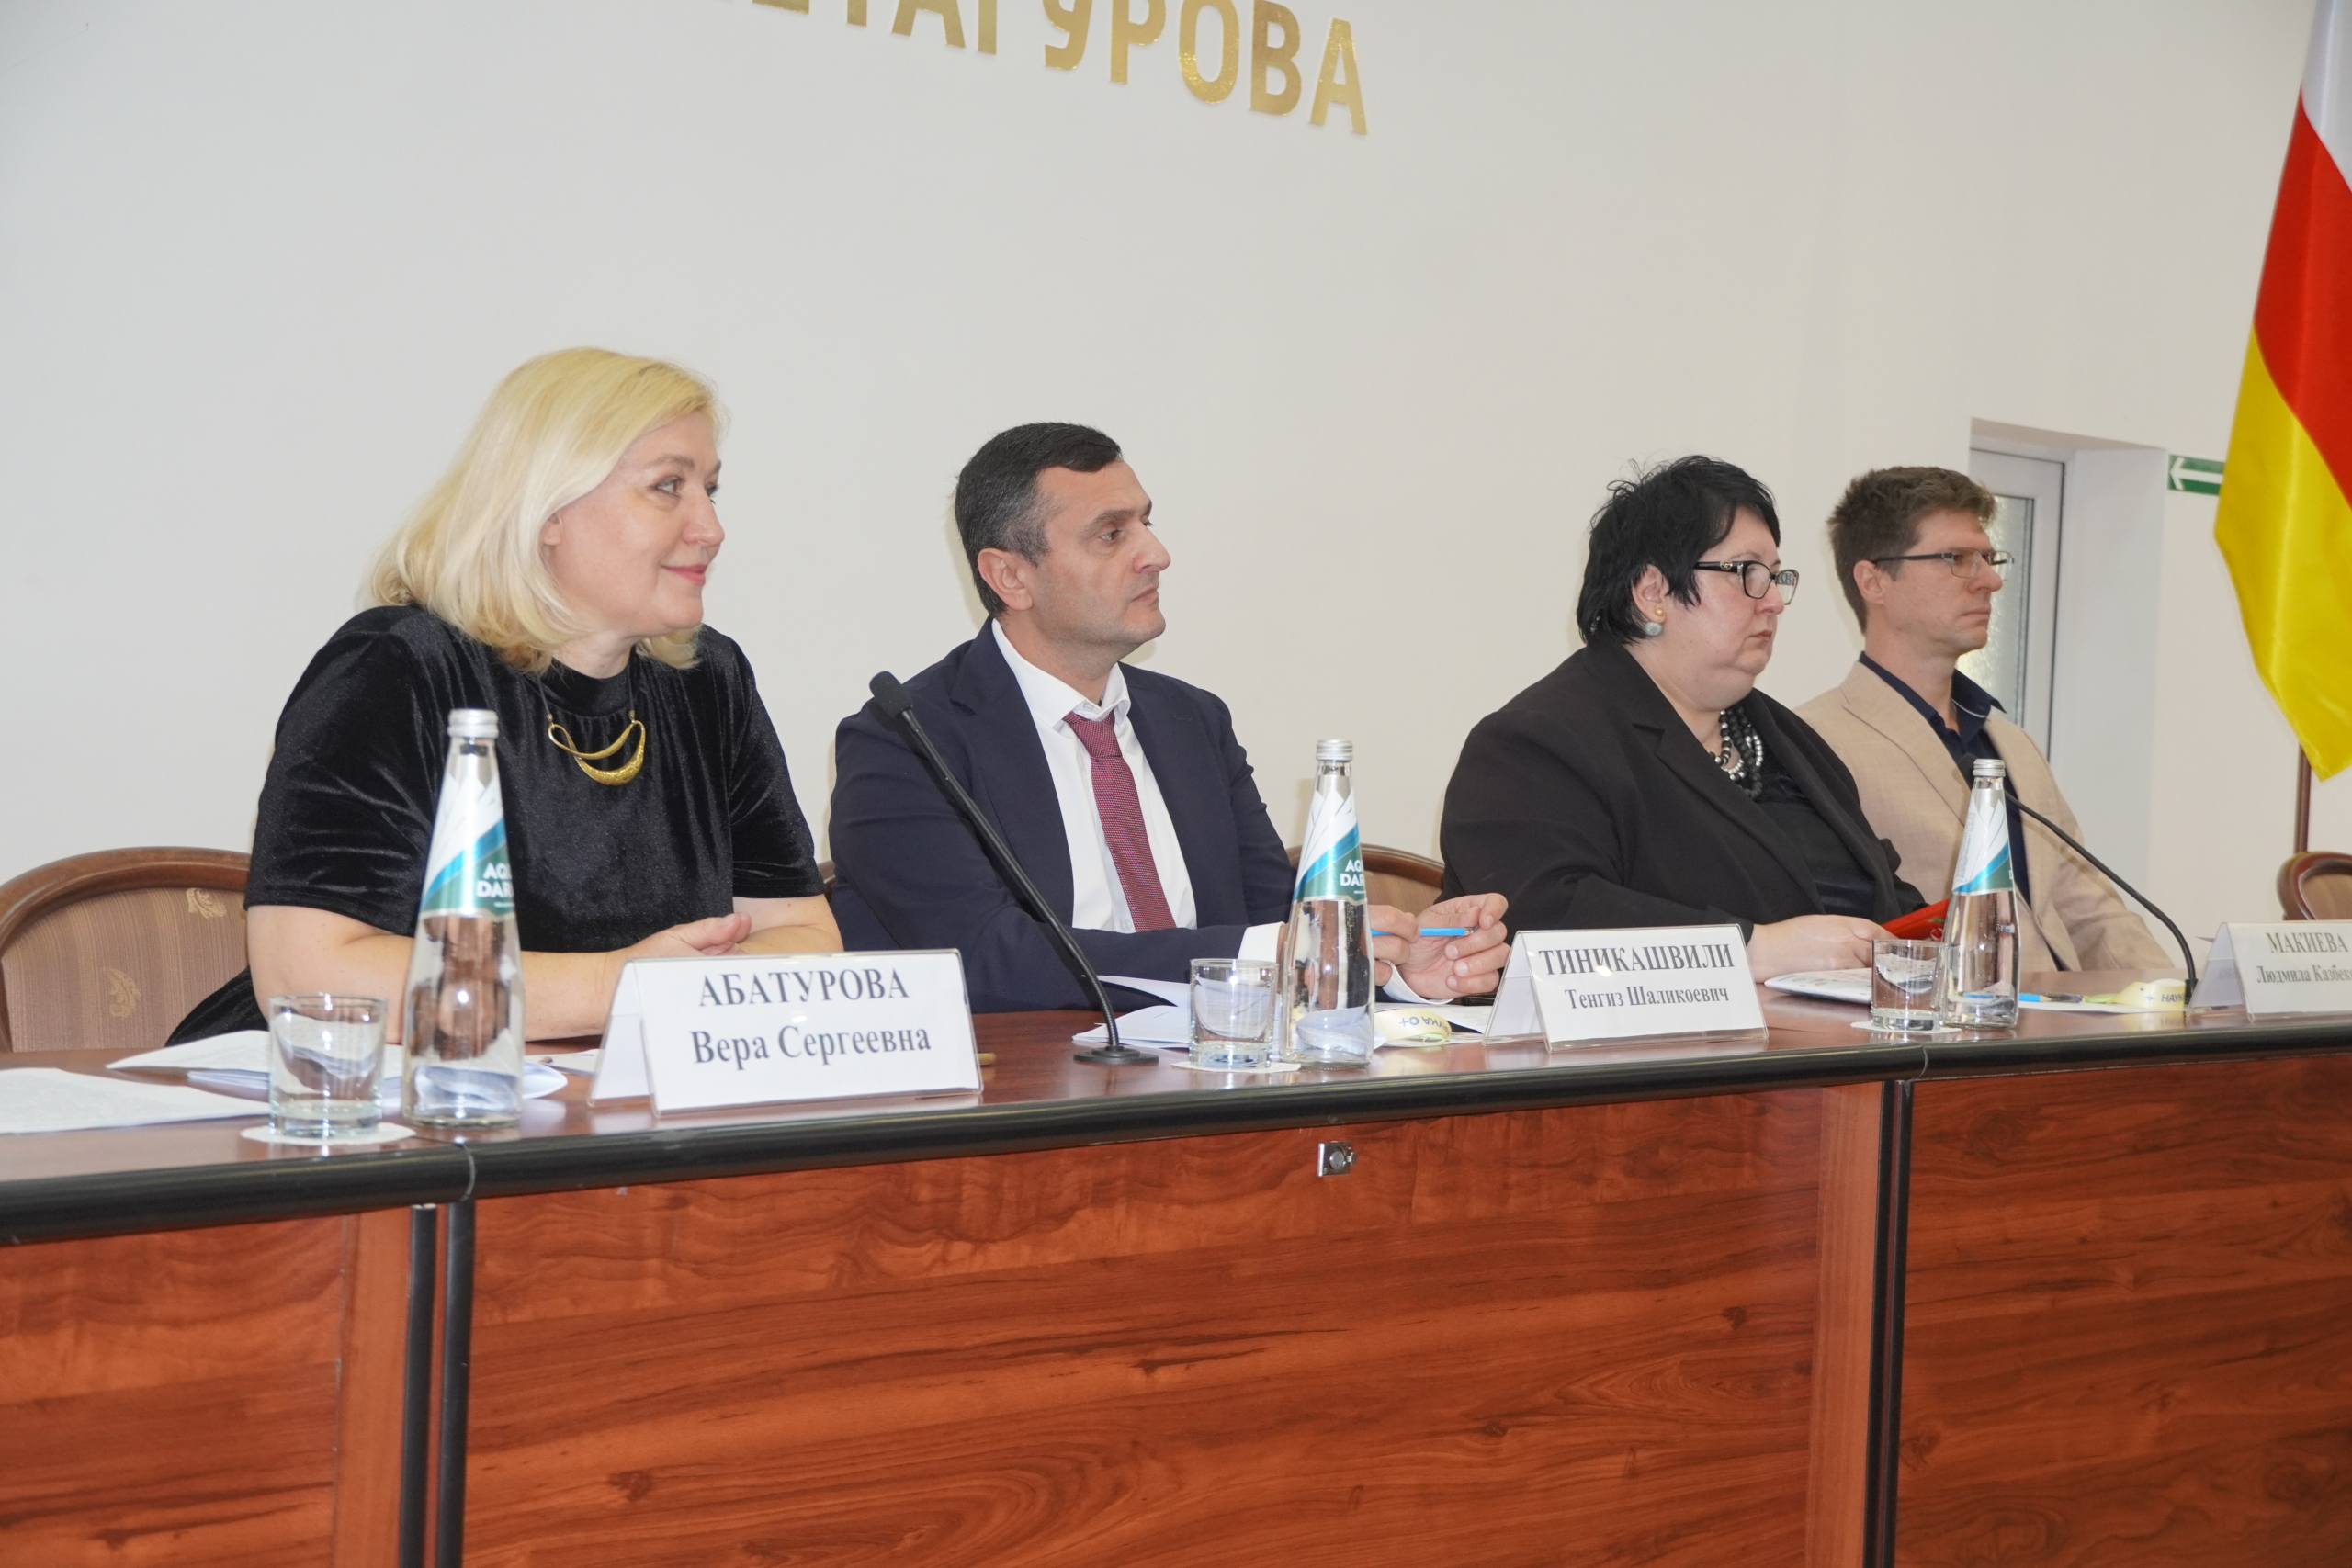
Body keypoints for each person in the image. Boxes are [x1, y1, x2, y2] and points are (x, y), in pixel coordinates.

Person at [172, 348, 839, 1043]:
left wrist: (675, 990)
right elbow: (309, 974)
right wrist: (621, 987)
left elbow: (807, 937)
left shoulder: (707, 681)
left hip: (593, 1093)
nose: (711, 529)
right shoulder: (398, 666)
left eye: (710, 490)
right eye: (668, 486)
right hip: (336, 1090)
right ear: (548, 509)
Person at [828, 422, 1510, 1013]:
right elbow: (983, 956)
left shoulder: (1192, 721)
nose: (1156, 554)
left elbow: (1276, 921)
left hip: (1220, 1080)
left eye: (1146, 523)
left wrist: (1398, 968)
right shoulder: (905, 740)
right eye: (1111, 534)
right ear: (1011, 577)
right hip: (1027, 1097)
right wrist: (1262, 954)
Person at [1440, 456, 1924, 977]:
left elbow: (1887, 900)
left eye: (1775, 576)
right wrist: (1754, 950)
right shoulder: (1535, 741)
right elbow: (1545, 918)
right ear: (1653, 593)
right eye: (1747, 573)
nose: (1774, 602)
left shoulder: (1792, 741)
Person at [1796, 466, 2167, 972]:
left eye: (1989, 559)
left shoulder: (2013, 744)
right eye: (1956, 559)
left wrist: (2173, 997)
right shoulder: (1813, 743)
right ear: (1874, 580)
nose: (1991, 580)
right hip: (1940, 1018)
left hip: (2064, 1015)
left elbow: (2089, 909)